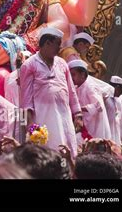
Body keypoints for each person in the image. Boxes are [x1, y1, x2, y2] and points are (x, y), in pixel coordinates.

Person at [19, 27, 83, 157]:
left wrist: (78, 114)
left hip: (64, 115)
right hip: (43, 119)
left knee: (68, 152)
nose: (59, 49)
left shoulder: (62, 64)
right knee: (48, 155)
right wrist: (31, 126)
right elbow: (25, 100)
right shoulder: (29, 65)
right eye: (57, 45)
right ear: (47, 43)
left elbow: (71, 91)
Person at [68, 60, 111, 140]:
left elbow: (99, 106)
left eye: (73, 74)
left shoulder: (90, 87)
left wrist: (78, 109)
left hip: (94, 127)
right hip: (84, 125)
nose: (71, 78)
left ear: (82, 74)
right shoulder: (77, 87)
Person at [104, 76, 122, 146]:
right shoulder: (105, 97)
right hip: (104, 130)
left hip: (114, 133)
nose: (121, 93)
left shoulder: (118, 101)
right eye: (121, 90)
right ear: (117, 87)